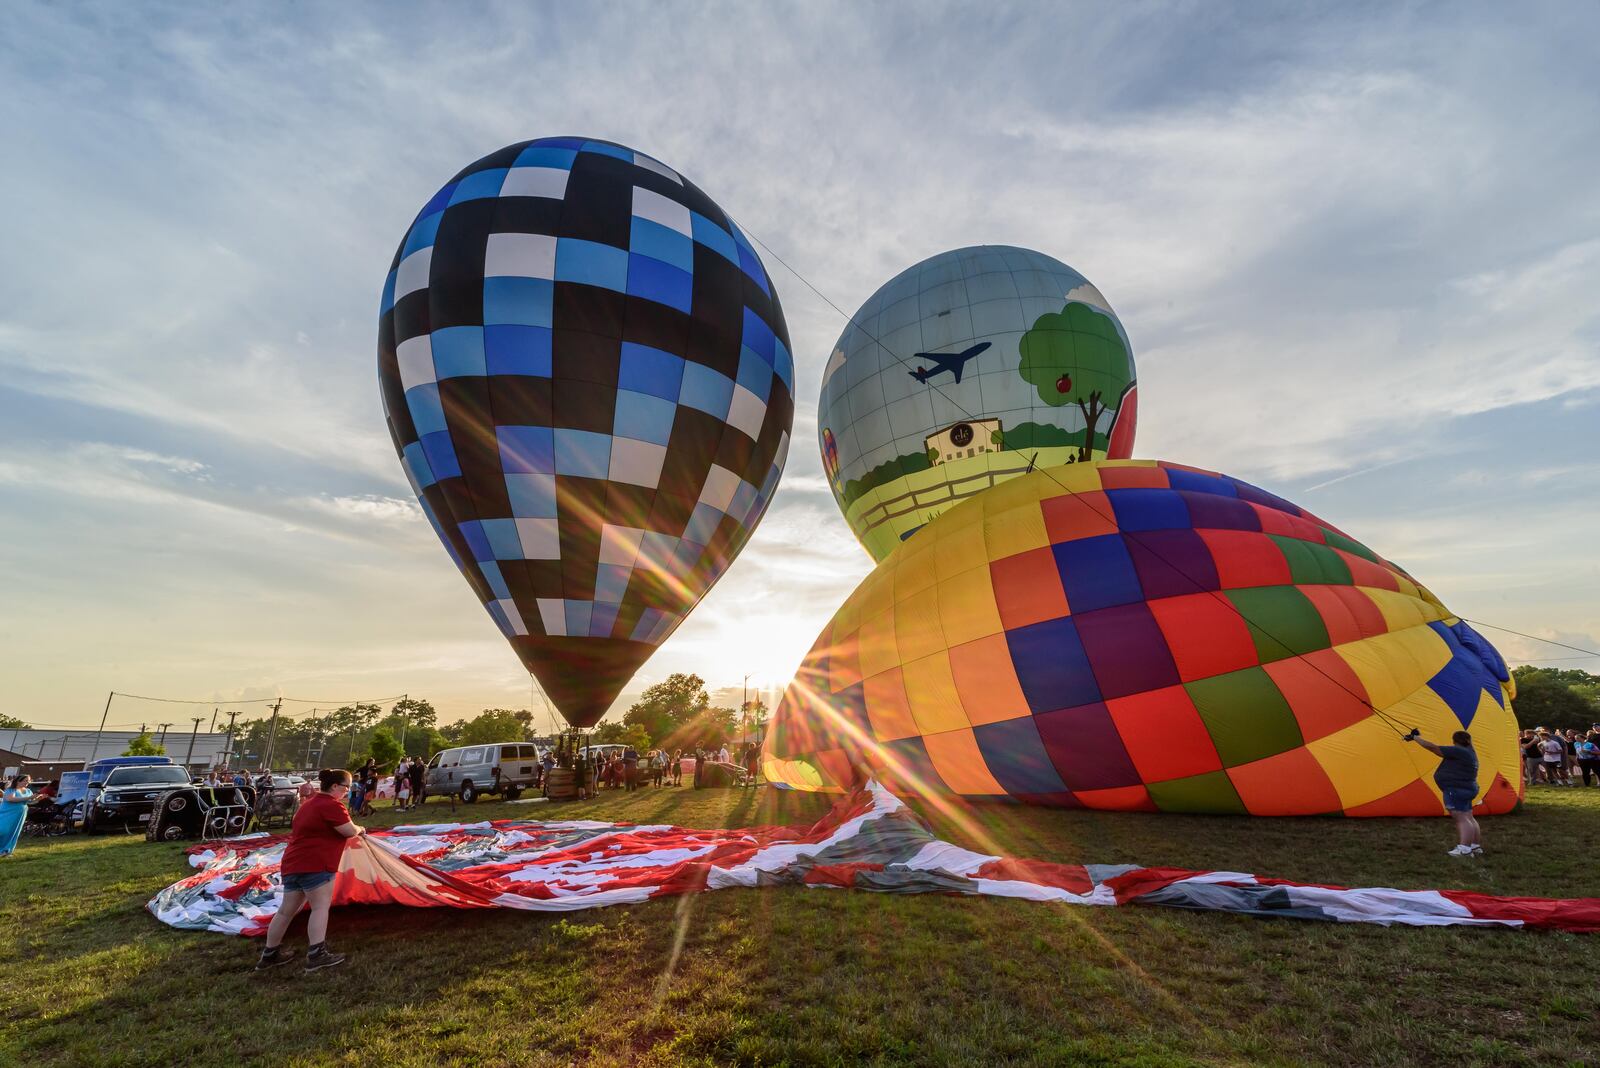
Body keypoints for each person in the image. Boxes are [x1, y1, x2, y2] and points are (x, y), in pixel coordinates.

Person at [255, 768, 364, 972]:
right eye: (346, 787)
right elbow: (348, 831)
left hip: (293, 863)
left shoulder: (308, 805)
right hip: (316, 863)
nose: (348, 791)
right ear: (334, 787)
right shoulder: (331, 805)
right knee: (320, 907)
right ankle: (316, 954)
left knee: (286, 911)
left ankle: (269, 955)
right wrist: (361, 829)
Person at [1403, 729, 1481, 856]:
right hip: (1467, 788)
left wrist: (1415, 738)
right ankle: (1475, 846)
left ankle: (1465, 849)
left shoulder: (1458, 751)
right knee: (1468, 817)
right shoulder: (1470, 752)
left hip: (1456, 789)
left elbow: (1432, 747)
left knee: (1461, 818)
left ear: (1455, 741)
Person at [0, 774, 34, 858]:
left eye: (29, 780)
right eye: (25, 780)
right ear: (19, 781)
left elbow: (30, 802)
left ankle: (6, 851)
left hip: (20, 815)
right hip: (7, 813)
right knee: (3, 830)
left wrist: (38, 799)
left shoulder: (28, 791)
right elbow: (10, 799)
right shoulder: (11, 790)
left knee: (13, 832)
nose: (28, 782)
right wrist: (28, 798)